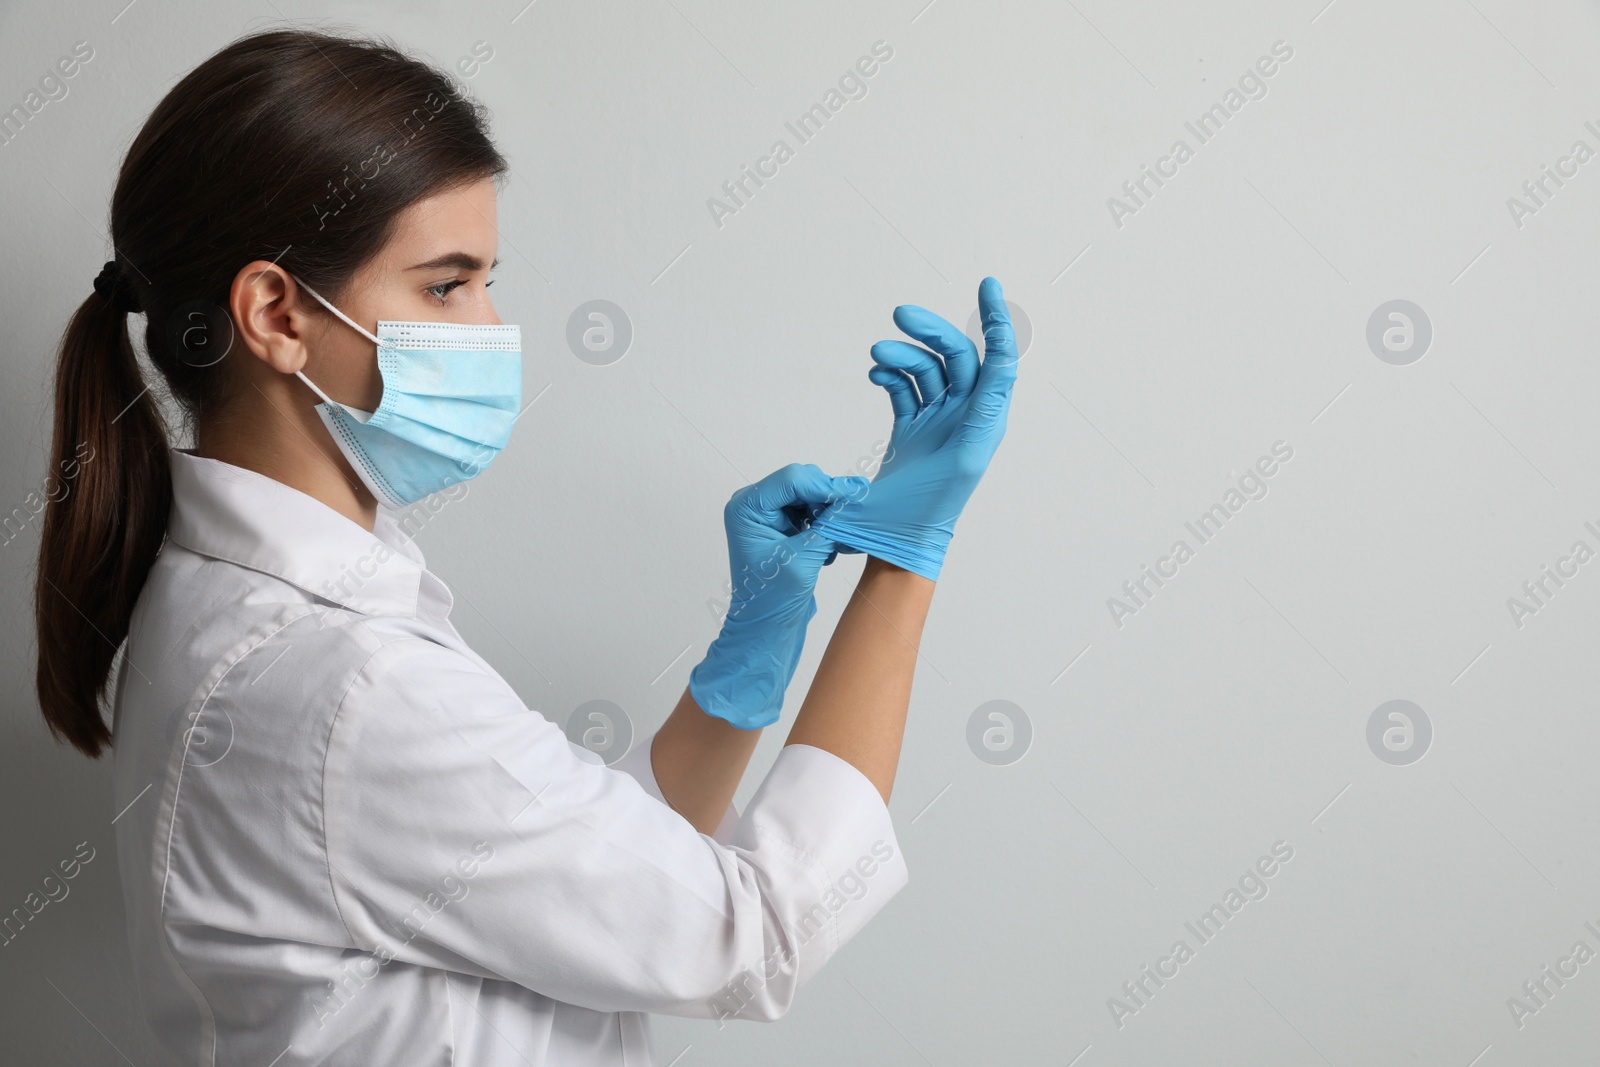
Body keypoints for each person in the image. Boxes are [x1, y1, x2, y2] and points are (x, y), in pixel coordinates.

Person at [32, 28, 1020, 1067]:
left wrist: (744, 663)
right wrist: (904, 562)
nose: (493, 325)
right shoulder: (342, 679)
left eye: (486, 280)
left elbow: (577, 879)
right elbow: (755, 935)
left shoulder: (233, 595)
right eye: (446, 285)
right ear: (277, 313)